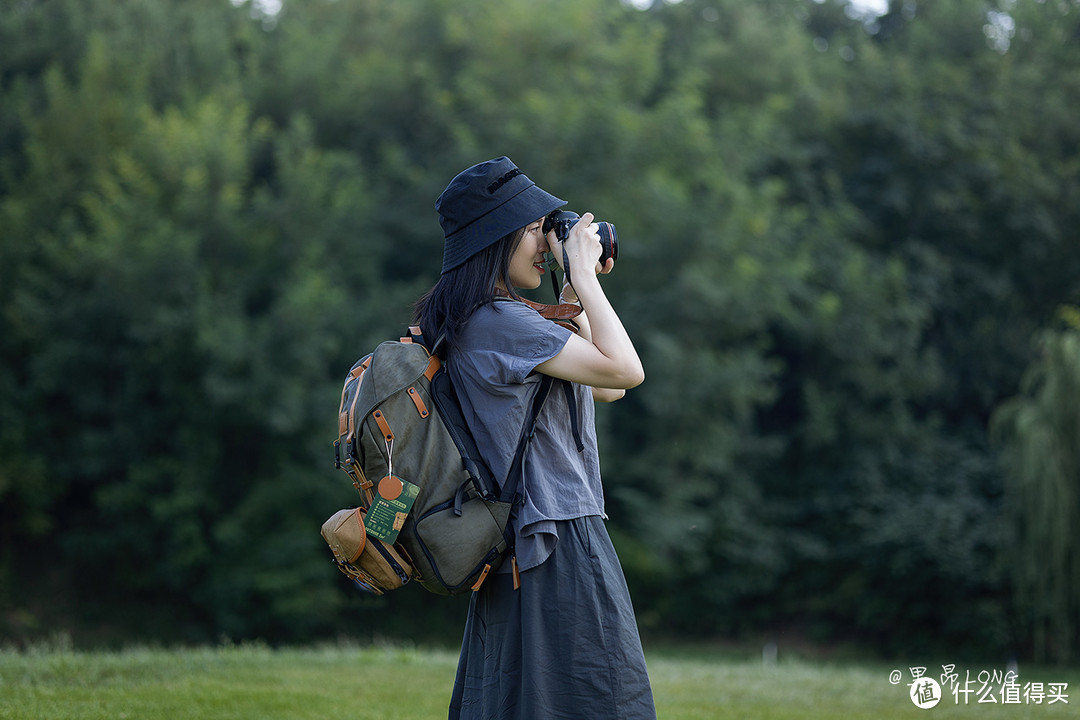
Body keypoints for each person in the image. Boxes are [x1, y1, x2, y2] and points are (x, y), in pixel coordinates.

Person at [414, 157, 656, 720]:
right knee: (601, 701)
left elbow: (605, 387)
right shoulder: (501, 322)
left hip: (519, 546)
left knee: (522, 704)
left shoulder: (484, 319)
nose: (546, 242)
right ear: (497, 239)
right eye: (533, 230)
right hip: (558, 538)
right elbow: (626, 372)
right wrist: (588, 280)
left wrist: (572, 286)